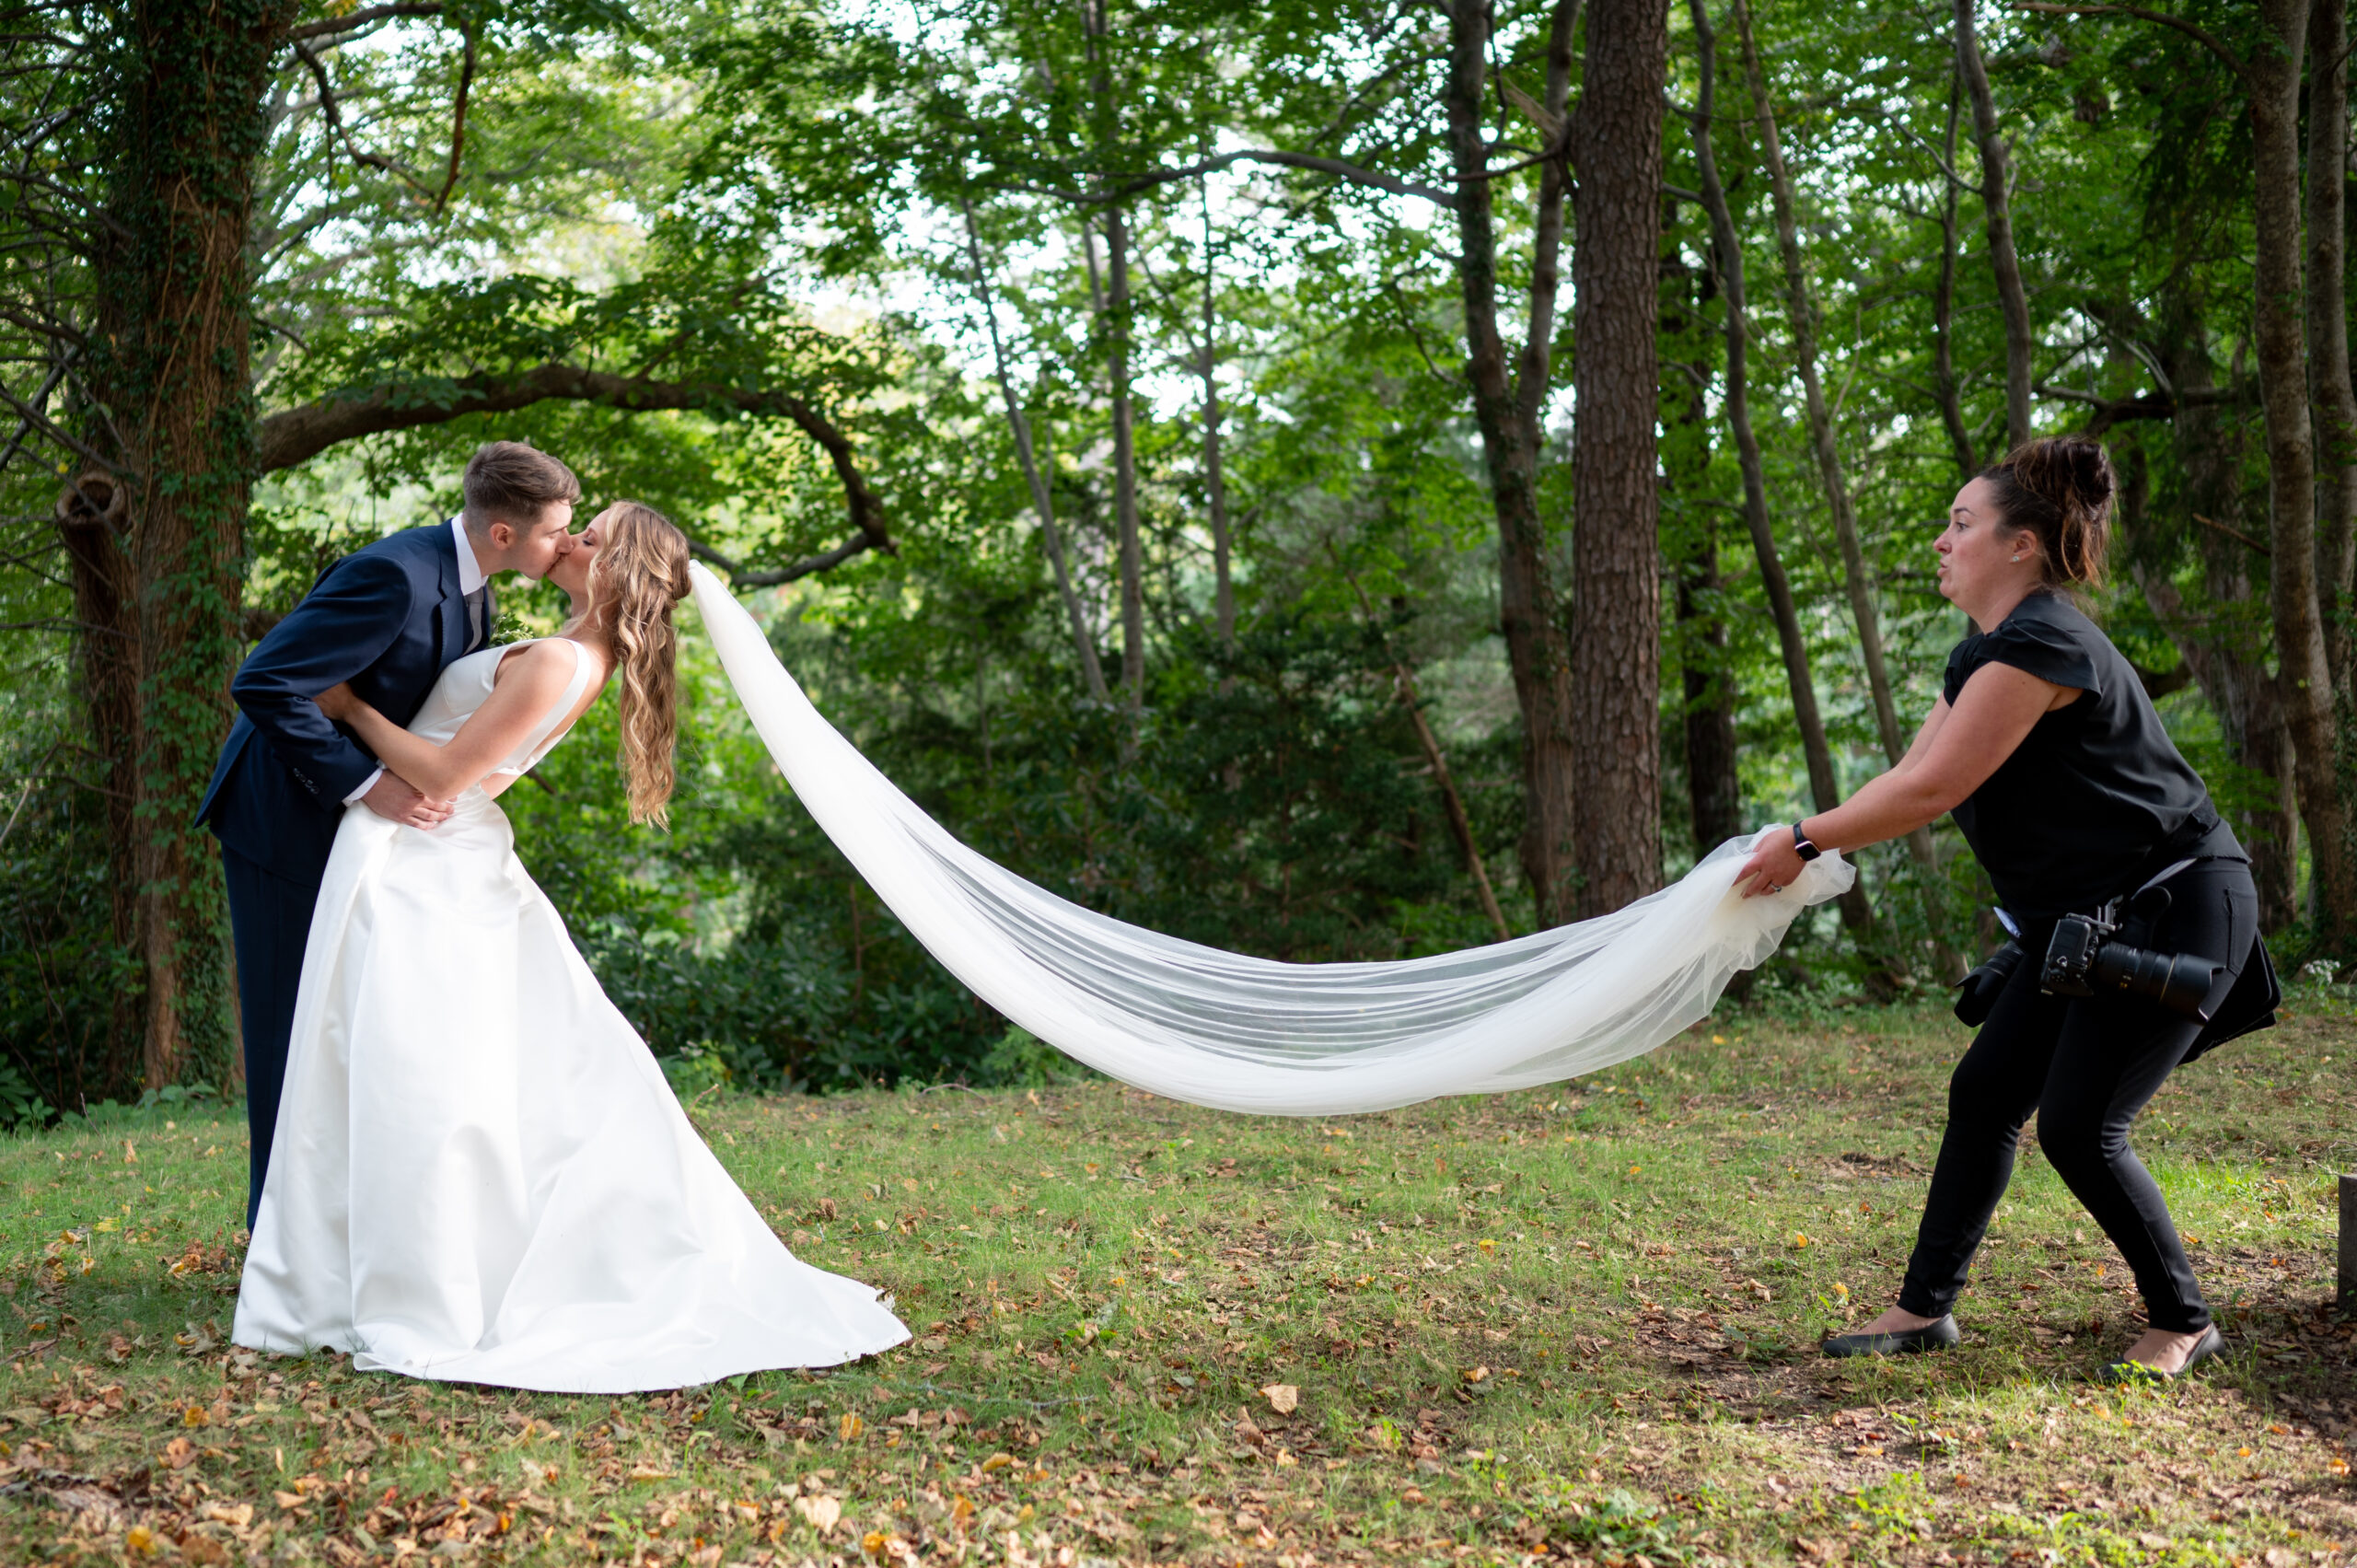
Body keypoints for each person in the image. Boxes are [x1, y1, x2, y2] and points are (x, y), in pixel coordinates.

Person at [231, 503, 908, 1391]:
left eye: (594, 533)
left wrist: (351, 704)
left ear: (616, 566)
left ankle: (413, 1277)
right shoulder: (571, 654)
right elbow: (481, 765)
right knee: (407, 1073)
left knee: (418, 1080)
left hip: (425, 863)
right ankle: (358, 1262)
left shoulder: (559, 658)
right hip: (428, 856)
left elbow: (441, 776)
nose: (575, 538)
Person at [1732, 436, 2277, 1382]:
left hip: (2174, 904)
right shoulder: (1982, 651)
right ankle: (1921, 1310)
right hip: (2086, 918)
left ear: (2020, 545)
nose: (1942, 542)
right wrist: (1801, 835)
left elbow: (1932, 791)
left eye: (1960, 524)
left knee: (2078, 1123)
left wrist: (1806, 839)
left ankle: (2182, 1318)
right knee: (1985, 1092)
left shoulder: (2047, 641)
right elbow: (1906, 774)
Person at [197, 442, 579, 1226]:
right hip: (282, 819)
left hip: (354, 837)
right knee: (286, 1028)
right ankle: (271, 1237)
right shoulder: (396, 575)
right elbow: (264, 680)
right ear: (504, 534)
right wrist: (369, 784)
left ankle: (325, 1225)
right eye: (554, 533)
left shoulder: (479, 596)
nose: (566, 545)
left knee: (334, 1031)